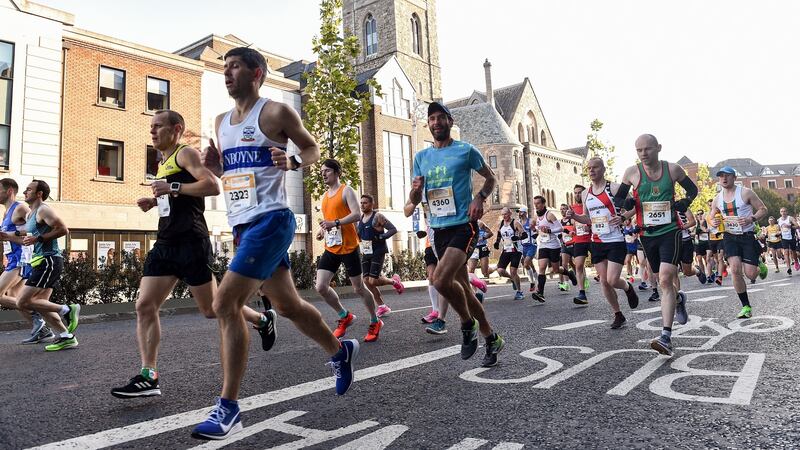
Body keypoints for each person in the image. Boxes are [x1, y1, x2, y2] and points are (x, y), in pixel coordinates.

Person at [192, 47, 356, 440]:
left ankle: (228, 408)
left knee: (224, 303)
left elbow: (311, 147)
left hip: (272, 219)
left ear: (257, 73)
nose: (227, 73)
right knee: (287, 305)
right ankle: (340, 351)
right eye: (224, 68)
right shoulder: (220, 122)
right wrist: (216, 165)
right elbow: (231, 171)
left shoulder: (276, 112)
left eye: (234, 67)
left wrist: (294, 162)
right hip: (242, 225)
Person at [111, 110, 277, 399]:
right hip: (165, 242)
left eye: (158, 126)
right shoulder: (162, 161)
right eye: (150, 127)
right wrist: (154, 200)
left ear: (176, 129)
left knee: (212, 310)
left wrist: (172, 187)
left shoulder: (185, 153)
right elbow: (177, 196)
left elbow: (212, 185)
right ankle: (149, 375)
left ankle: (262, 320)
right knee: (144, 306)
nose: (152, 131)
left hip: (191, 240)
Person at [406, 101, 505, 367]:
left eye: (441, 118)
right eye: (432, 119)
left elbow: (491, 178)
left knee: (439, 280)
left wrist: (480, 198)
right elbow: (414, 198)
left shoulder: (466, 151)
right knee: (464, 290)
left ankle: (466, 323)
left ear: (450, 121)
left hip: (464, 224)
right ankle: (492, 338)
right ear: (429, 125)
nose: (436, 122)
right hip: (438, 229)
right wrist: (416, 191)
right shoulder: (421, 158)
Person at [619, 134, 698, 356]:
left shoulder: (673, 170)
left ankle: (666, 336)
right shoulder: (631, 173)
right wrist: (625, 206)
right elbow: (620, 200)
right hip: (647, 234)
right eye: (639, 150)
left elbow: (693, 190)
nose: (644, 154)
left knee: (664, 278)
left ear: (659, 148)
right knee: (661, 282)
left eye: (648, 149)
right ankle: (679, 298)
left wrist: (685, 202)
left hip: (670, 231)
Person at [315, 159, 382, 342]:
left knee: (359, 288)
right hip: (332, 247)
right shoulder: (325, 195)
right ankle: (344, 315)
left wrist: (335, 223)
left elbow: (356, 215)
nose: (323, 174)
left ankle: (375, 320)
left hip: (349, 246)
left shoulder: (347, 190)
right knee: (320, 287)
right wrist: (322, 230)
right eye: (322, 172)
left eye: (327, 171)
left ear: (337, 172)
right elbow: (329, 219)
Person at [567, 157, 639, 328]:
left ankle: (628, 287)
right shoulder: (586, 193)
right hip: (597, 241)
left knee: (613, 280)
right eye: (589, 168)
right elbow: (587, 218)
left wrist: (622, 217)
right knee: (604, 281)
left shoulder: (614, 188)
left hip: (615, 240)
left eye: (595, 167)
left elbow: (636, 206)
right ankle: (618, 314)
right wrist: (574, 216)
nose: (591, 171)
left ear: (603, 169)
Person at [14, 180, 78, 351]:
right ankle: (66, 337)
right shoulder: (30, 214)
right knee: (41, 304)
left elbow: (63, 229)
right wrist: (6, 235)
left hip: (49, 260)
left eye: (29, 189)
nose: (25, 191)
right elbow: (22, 234)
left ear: (39, 193)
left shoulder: (44, 209)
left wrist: (39, 239)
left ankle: (67, 309)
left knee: (22, 301)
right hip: (41, 262)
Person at [709, 166, 768, 318]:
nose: (724, 178)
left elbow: (763, 209)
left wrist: (751, 218)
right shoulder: (717, 198)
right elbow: (710, 216)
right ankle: (746, 307)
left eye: (727, 175)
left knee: (751, 275)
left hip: (747, 236)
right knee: (734, 269)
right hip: (729, 237)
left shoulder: (745, 192)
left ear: (734, 177)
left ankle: (759, 264)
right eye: (721, 176)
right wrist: (713, 222)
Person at [0, 178, 42, 342]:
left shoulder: (20, 207)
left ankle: (40, 313)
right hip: (12, 259)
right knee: (15, 298)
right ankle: (42, 329)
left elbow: (35, 226)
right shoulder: (6, 213)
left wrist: (13, 235)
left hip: (21, 259)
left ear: (9, 191)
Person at [357, 193, 404, 318]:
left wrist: (381, 236)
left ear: (372, 204)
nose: (362, 205)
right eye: (361, 203)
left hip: (378, 251)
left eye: (365, 202)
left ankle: (394, 281)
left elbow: (393, 229)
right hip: (366, 252)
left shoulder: (377, 216)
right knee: (367, 281)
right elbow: (360, 235)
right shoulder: (360, 219)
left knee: (373, 280)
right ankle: (382, 307)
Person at [531, 195, 577, 303]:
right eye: (535, 203)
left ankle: (569, 273)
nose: (536, 205)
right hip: (543, 245)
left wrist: (550, 231)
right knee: (541, 267)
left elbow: (560, 228)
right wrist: (534, 231)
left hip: (554, 245)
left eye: (538, 203)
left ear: (543, 204)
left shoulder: (550, 215)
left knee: (556, 269)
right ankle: (540, 293)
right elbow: (538, 229)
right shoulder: (536, 217)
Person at [492, 207, 526, 300]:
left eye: (505, 214)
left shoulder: (515, 223)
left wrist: (517, 238)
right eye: (502, 214)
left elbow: (525, 234)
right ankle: (512, 279)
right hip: (506, 249)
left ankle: (519, 292)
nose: (504, 216)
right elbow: (499, 234)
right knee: (500, 271)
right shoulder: (502, 223)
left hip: (516, 250)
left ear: (510, 214)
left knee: (513, 271)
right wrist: (497, 242)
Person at [569, 185, 592, 303]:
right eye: (575, 193)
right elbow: (573, 225)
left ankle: (611, 284)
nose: (577, 195)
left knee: (602, 267)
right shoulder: (572, 208)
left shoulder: (590, 205)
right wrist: (572, 230)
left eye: (579, 193)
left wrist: (589, 227)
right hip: (579, 240)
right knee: (578, 266)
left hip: (593, 239)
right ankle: (582, 293)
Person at [676, 209, 707, 284]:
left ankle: (697, 271)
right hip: (670, 241)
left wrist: (680, 228)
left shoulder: (681, 206)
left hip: (685, 240)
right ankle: (677, 295)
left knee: (687, 272)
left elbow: (693, 222)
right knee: (672, 271)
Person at [467, 219, 493, 303]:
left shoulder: (480, 223)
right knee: (470, 271)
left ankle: (496, 267)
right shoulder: (464, 224)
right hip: (473, 249)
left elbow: (490, 233)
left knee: (484, 272)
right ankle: (475, 294)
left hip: (482, 248)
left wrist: (482, 237)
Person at [518, 207, 538, 292]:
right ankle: (537, 280)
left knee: (526, 264)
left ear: (525, 213)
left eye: (521, 212)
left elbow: (536, 231)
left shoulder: (530, 221)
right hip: (523, 246)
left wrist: (534, 234)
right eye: (518, 212)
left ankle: (532, 282)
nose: (519, 213)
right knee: (531, 265)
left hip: (531, 245)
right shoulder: (518, 223)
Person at [558, 203, 576, 292]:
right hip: (565, 245)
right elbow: (559, 234)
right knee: (564, 264)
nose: (562, 210)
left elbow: (576, 230)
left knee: (578, 264)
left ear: (567, 210)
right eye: (561, 209)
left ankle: (584, 279)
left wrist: (572, 232)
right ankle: (566, 283)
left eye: (564, 209)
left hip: (575, 244)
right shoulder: (559, 222)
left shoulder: (572, 220)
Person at [777, 207, 799, 275]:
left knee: (794, 252)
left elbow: (797, 226)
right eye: (781, 211)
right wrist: (778, 233)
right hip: (784, 239)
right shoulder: (779, 220)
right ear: (780, 213)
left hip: (792, 238)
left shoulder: (790, 218)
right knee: (786, 253)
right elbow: (779, 229)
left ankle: (796, 261)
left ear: (787, 212)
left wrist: (790, 227)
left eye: (784, 211)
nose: (783, 213)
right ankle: (788, 268)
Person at [694, 210, 711, 281]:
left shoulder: (708, 222)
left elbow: (708, 230)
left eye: (701, 214)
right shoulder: (696, 223)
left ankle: (710, 275)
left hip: (707, 242)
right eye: (698, 214)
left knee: (707, 259)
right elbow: (693, 232)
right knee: (700, 259)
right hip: (698, 243)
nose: (700, 215)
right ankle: (703, 275)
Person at [622, 218, 639, 283]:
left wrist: (633, 238)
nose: (625, 222)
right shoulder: (623, 228)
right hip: (629, 247)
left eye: (626, 220)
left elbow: (637, 235)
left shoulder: (633, 227)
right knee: (627, 261)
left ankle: (638, 268)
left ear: (630, 221)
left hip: (636, 246)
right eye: (624, 221)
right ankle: (630, 275)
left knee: (640, 262)